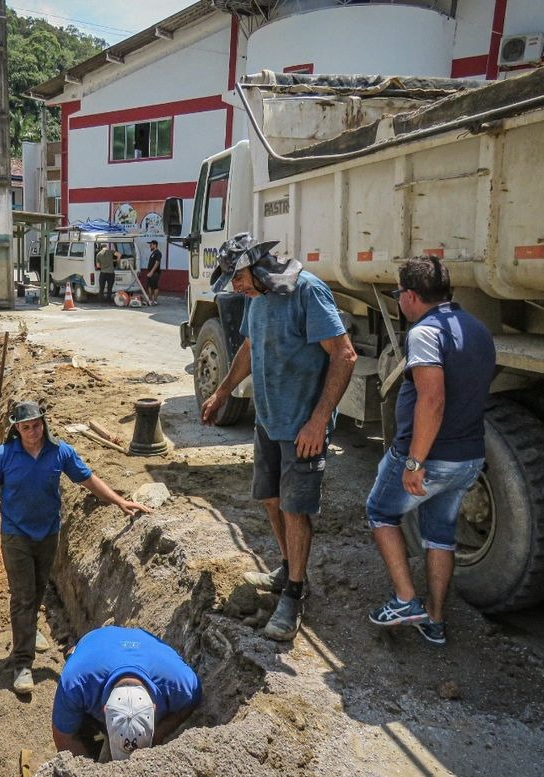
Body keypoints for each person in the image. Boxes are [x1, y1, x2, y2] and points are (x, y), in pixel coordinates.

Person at [201, 234, 357, 642]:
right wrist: (222, 391)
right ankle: (289, 567)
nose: (235, 287)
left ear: (259, 265)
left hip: (302, 425)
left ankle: (294, 595)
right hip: (269, 421)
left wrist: (318, 421)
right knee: (271, 500)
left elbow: (344, 354)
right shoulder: (257, 297)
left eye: (237, 277)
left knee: (295, 509)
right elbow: (250, 349)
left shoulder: (308, 291)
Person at [0, 402, 151, 694]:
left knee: (37, 588)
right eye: (25, 427)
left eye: (36, 425)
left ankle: (28, 631)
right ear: (16, 429)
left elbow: (88, 479)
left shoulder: (61, 453)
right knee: (22, 595)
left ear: (44, 423)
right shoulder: (3, 457)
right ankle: (22, 663)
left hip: (48, 534)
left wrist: (119, 501)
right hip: (15, 535)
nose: (33, 432)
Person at [365, 256, 495, 645]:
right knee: (439, 534)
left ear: (410, 296)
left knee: (380, 512)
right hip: (468, 456)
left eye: (397, 294)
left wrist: (415, 461)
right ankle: (434, 620)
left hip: (430, 456)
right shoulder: (477, 329)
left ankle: (406, 600)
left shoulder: (424, 333)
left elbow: (432, 400)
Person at [52, 626, 202, 761]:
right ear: (104, 709)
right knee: (83, 733)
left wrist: (158, 735)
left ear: (154, 708)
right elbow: (64, 737)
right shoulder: (75, 683)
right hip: (96, 645)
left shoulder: (181, 684)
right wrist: (87, 776)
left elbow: (193, 699)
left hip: (149, 651)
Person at [144, 240, 162, 305]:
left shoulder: (158, 253)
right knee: (149, 286)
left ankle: (155, 301)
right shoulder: (153, 253)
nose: (150, 246)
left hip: (155, 273)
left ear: (155, 245)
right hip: (150, 272)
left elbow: (157, 263)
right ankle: (150, 300)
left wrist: (152, 272)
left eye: (151, 245)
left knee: (155, 287)